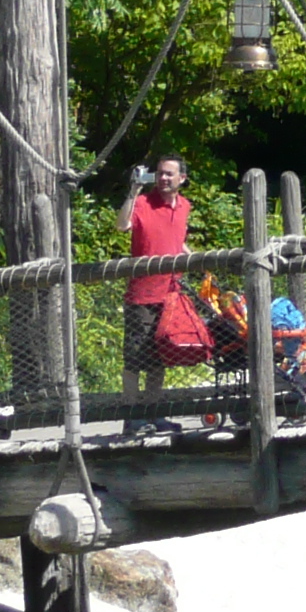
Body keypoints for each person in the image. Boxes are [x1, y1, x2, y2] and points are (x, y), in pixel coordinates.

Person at [123, 154, 197, 434]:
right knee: (134, 357)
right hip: (141, 294)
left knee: (159, 356)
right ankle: (131, 416)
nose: (163, 178)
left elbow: (179, 243)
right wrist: (132, 193)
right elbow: (122, 226)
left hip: (171, 294)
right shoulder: (142, 203)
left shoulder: (185, 206)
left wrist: (200, 263)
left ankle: (154, 413)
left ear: (182, 179)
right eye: (160, 173)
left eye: (169, 174)